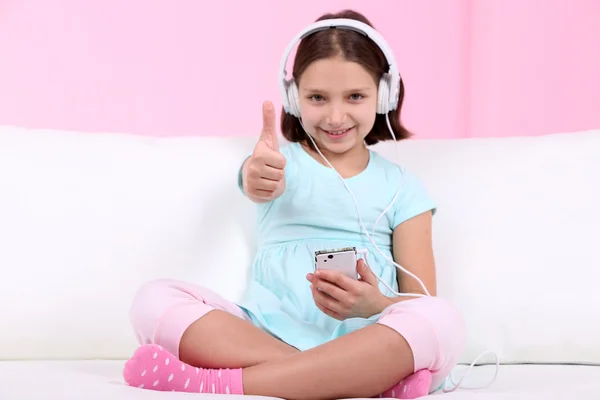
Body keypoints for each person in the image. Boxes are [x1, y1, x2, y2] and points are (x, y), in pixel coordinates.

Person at [122, 9, 466, 399]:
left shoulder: (404, 188)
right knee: (153, 299)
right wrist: (257, 173)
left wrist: (377, 304)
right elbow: (258, 180)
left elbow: (420, 299)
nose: (336, 116)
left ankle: (219, 383)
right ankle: (354, 380)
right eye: (317, 98)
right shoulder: (277, 166)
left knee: (441, 318)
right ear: (294, 97)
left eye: (355, 96)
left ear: (384, 94)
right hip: (262, 333)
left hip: (371, 339)